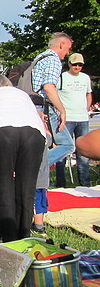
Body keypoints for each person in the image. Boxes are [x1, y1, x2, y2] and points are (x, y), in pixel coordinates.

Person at [0, 74, 46, 242]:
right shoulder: (21, 94)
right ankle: (24, 234)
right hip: (34, 133)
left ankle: (8, 236)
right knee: (27, 186)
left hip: (1, 131)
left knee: (4, 184)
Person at [31, 32, 73, 168]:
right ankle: (32, 168)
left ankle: (32, 170)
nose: (67, 53)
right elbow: (49, 87)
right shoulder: (53, 60)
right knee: (67, 144)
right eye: (68, 48)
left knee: (43, 144)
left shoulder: (40, 57)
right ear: (61, 44)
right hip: (45, 106)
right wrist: (62, 110)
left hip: (34, 106)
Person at [54, 52, 93, 187]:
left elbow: (89, 94)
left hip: (82, 119)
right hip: (67, 119)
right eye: (75, 64)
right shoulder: (62, 77)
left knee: (83, 152)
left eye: (80, 65)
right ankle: (60, 183)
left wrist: (87, 109)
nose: (77, 67)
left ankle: (85, 183)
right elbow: (54, 94)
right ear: (69, 64)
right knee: (63, 150)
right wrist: (60, 111)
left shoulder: (85, 78)